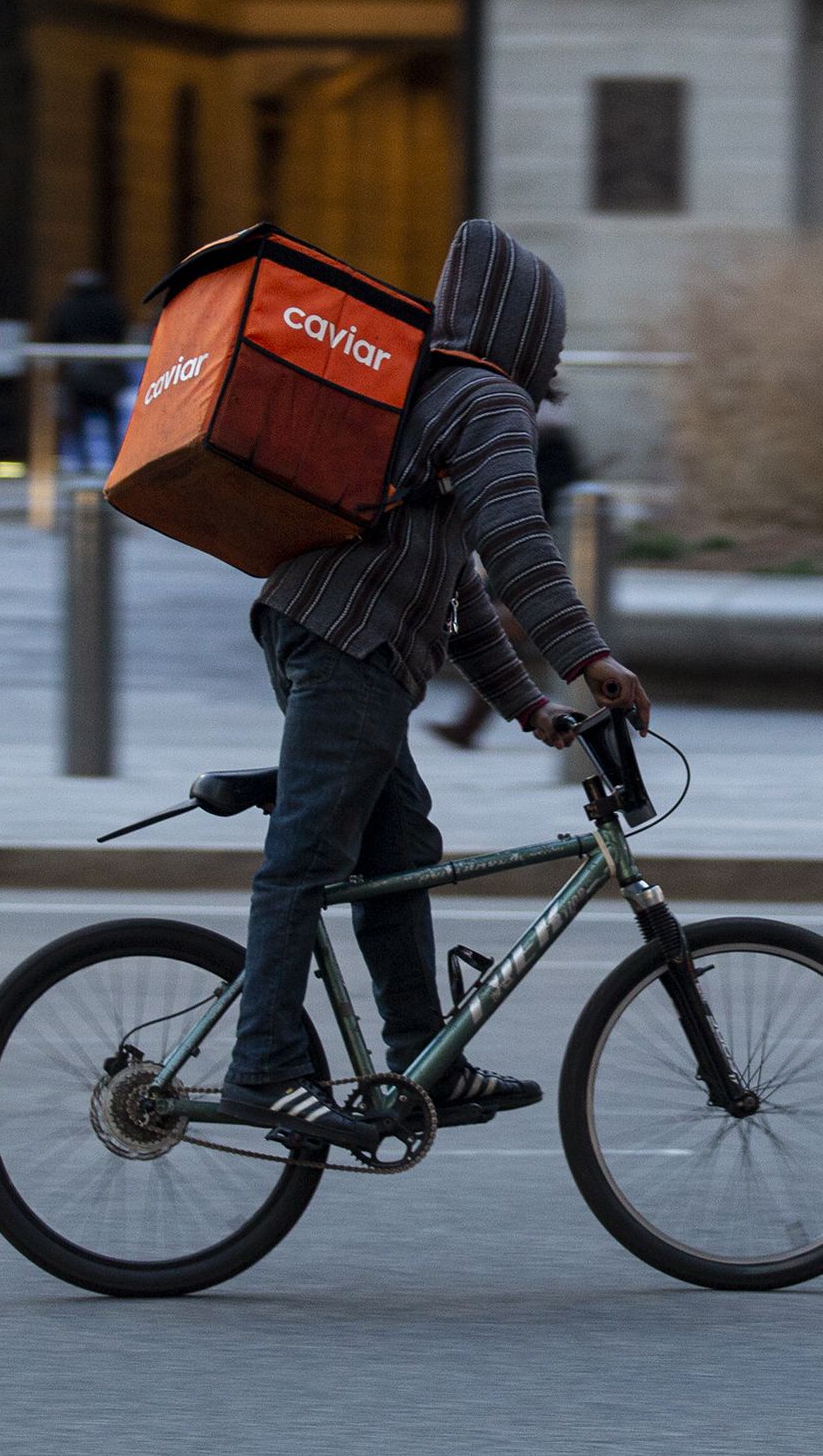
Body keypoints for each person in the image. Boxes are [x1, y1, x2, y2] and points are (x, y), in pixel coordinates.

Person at [218, 220, 653, 1150]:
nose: (556, 357)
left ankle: (428, 1060)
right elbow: (518, 543)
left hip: (329, 638)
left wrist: (532, 705)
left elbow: (460, 590)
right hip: (346, 646)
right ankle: (264, 1068)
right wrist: (588, 657)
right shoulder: (488, 401)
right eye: (555, 337)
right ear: (528, 330)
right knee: (305, 860)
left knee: (399, 851)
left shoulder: (436, 395)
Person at [428, 390, 585, 750]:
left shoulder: (539, 446)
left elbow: (526, 517)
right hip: (520, 560)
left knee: (499, 632)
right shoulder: (532, 439)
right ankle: (477, 724)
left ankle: (474, 725)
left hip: (531, 561)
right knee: (495, 632)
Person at [44, 268, 129, 472]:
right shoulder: (111, 305)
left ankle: (82, 467)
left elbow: (55, 336)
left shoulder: (65, 306)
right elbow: (120, 332)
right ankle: (119, 466)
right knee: (110, 421)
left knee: (76, 423)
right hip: (108, 370)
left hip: (77, 373)